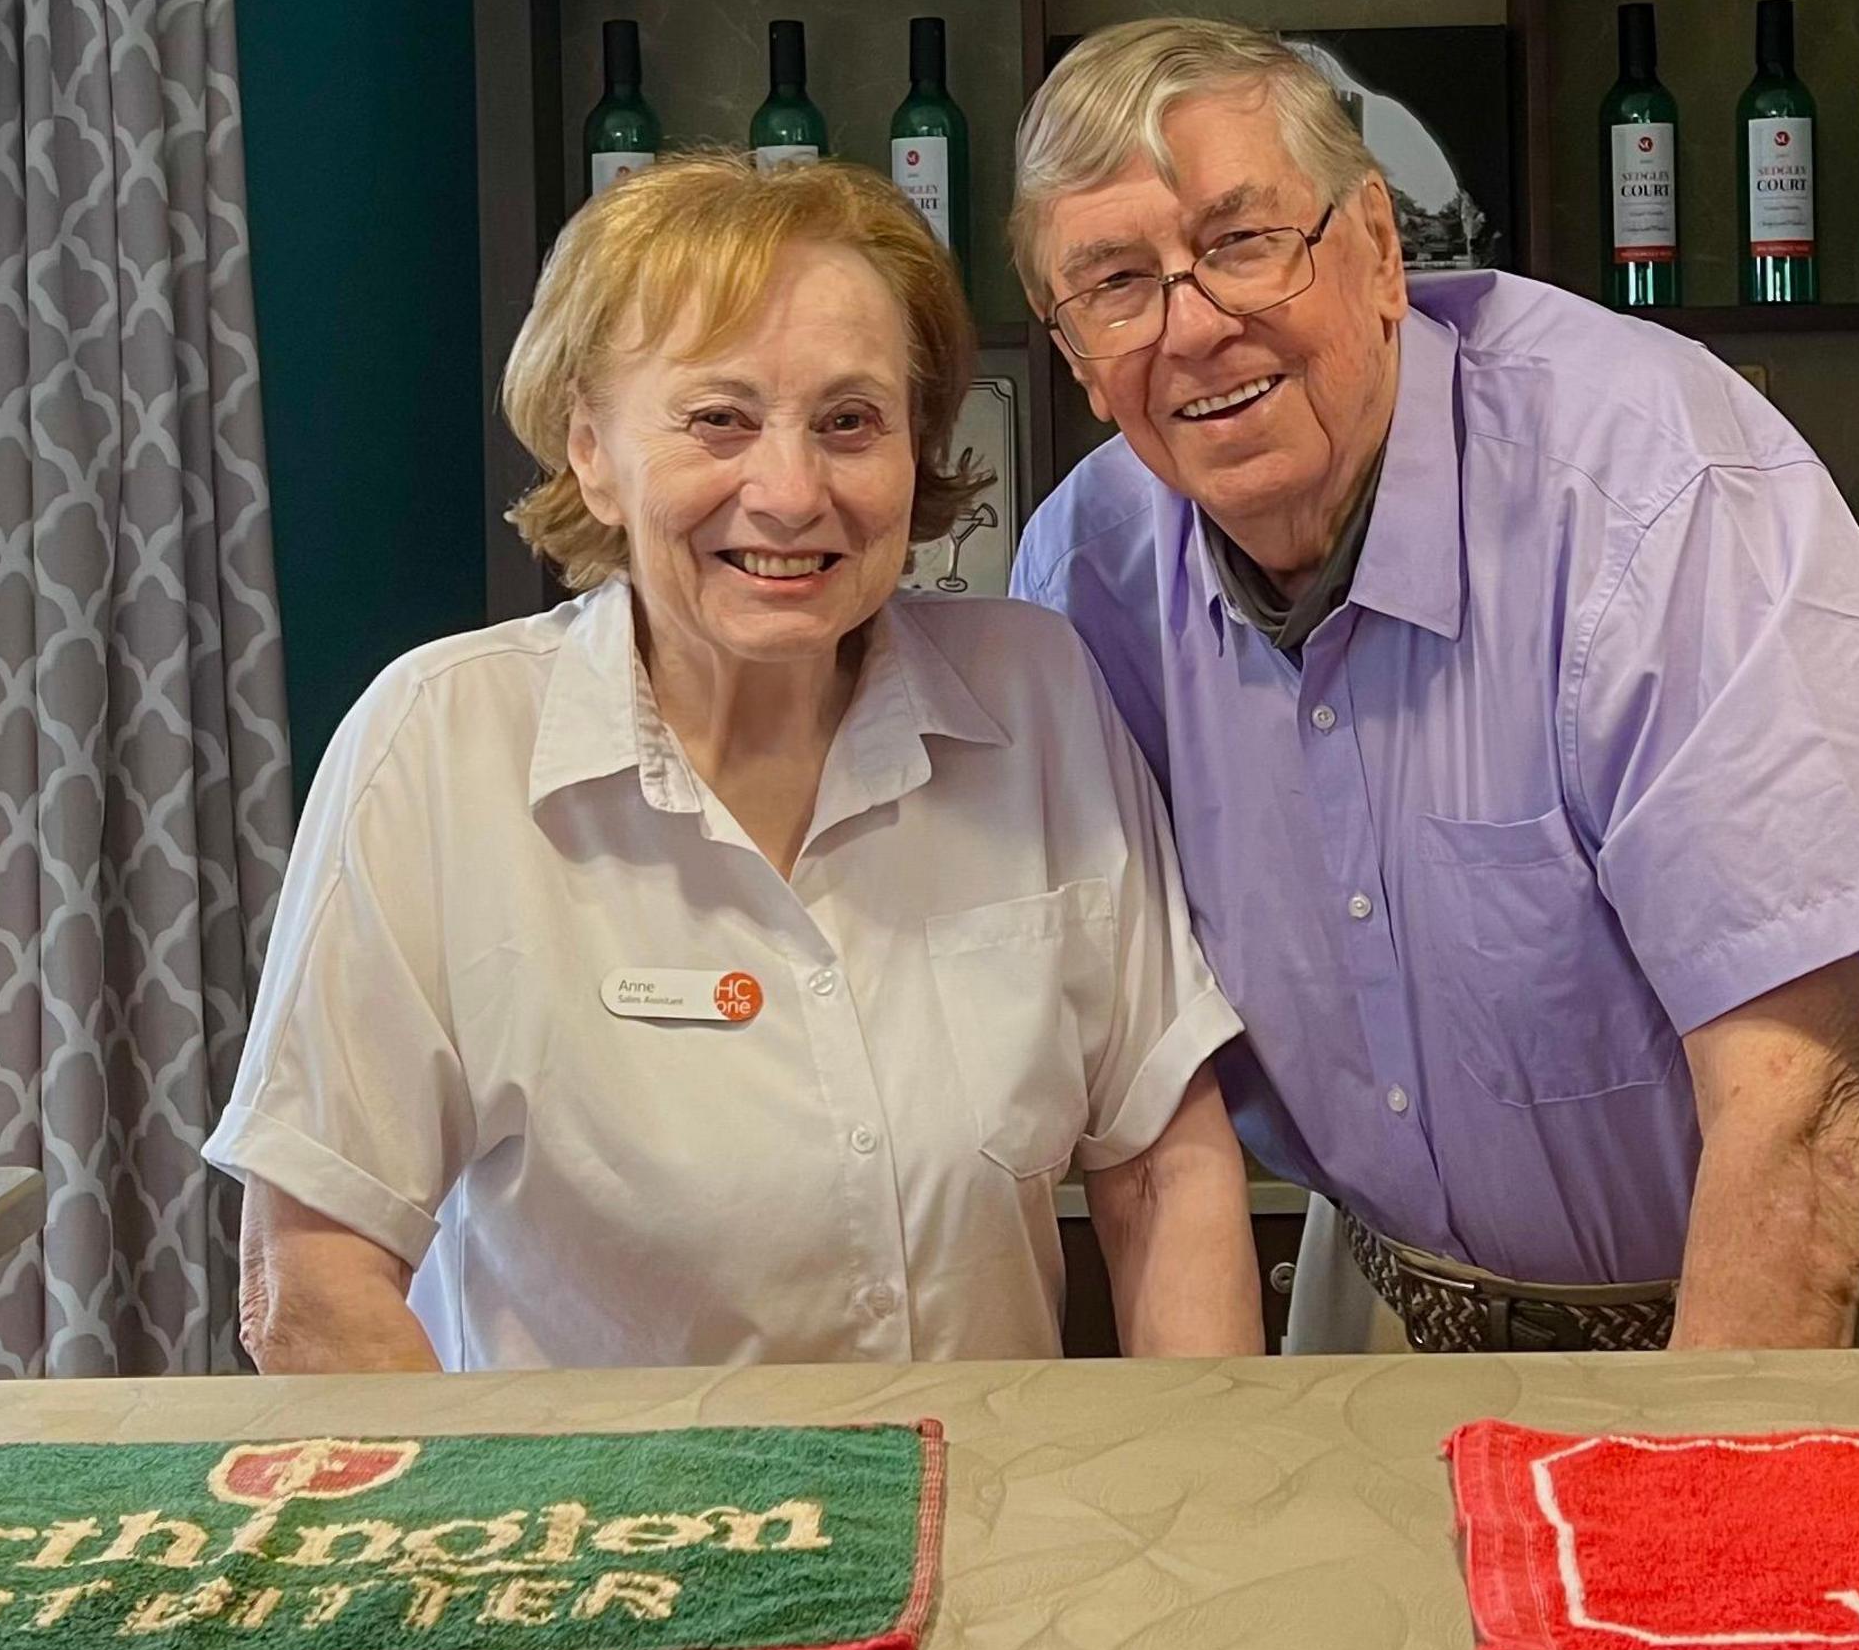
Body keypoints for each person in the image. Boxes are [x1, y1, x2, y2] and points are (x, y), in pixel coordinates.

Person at [1009, 18, 1859, 1355]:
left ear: (1377, 248)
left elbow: (1800, 1104)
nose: (1192, 325)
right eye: (1116, 284)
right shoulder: (1083, 575)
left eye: (1242, 242)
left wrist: (1685, 1505)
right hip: (1399, 1289)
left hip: (1819, 1280)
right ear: (1077, 352)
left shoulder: (1649, 484)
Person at [209, 153, 1265, 1370]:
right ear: (591, 446)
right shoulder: (442, 743)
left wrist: (1190, 1508)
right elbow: (312, 1276)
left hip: (996, 1518)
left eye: (850, 422)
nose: (790, 489)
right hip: (606, 1546)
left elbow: (1159, 1166)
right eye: (719, 419)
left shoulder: (1036, 695)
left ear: (919, 449)